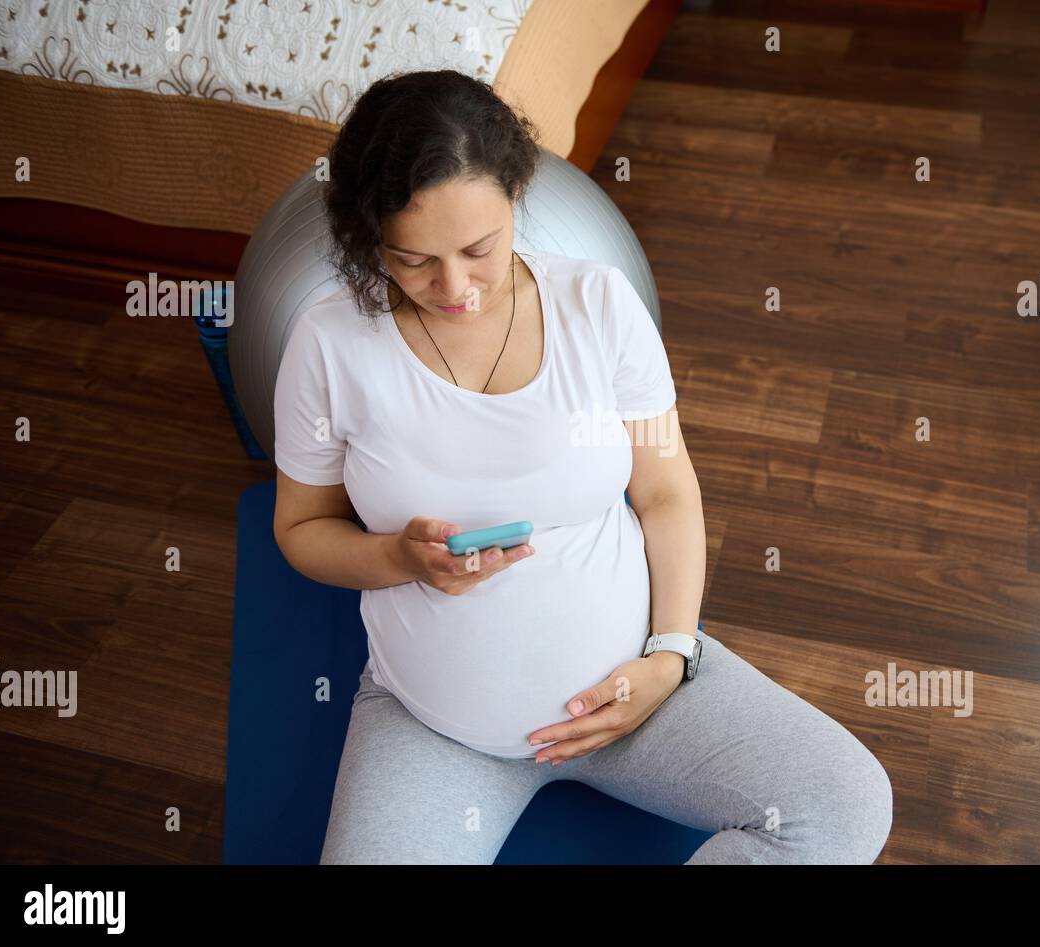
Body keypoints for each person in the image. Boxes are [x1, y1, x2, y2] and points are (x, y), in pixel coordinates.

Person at [271, 68, 893, 864]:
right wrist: (395, 558)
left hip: (633, 689)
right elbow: (300, 527)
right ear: (369, 239)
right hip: (435, 723)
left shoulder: (596, 304)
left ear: (516, 194)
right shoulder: (330, 345)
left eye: (478, 249)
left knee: (845, 803)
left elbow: (666, 491)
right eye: (414, 259)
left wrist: (670, 655)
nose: (454, 287)